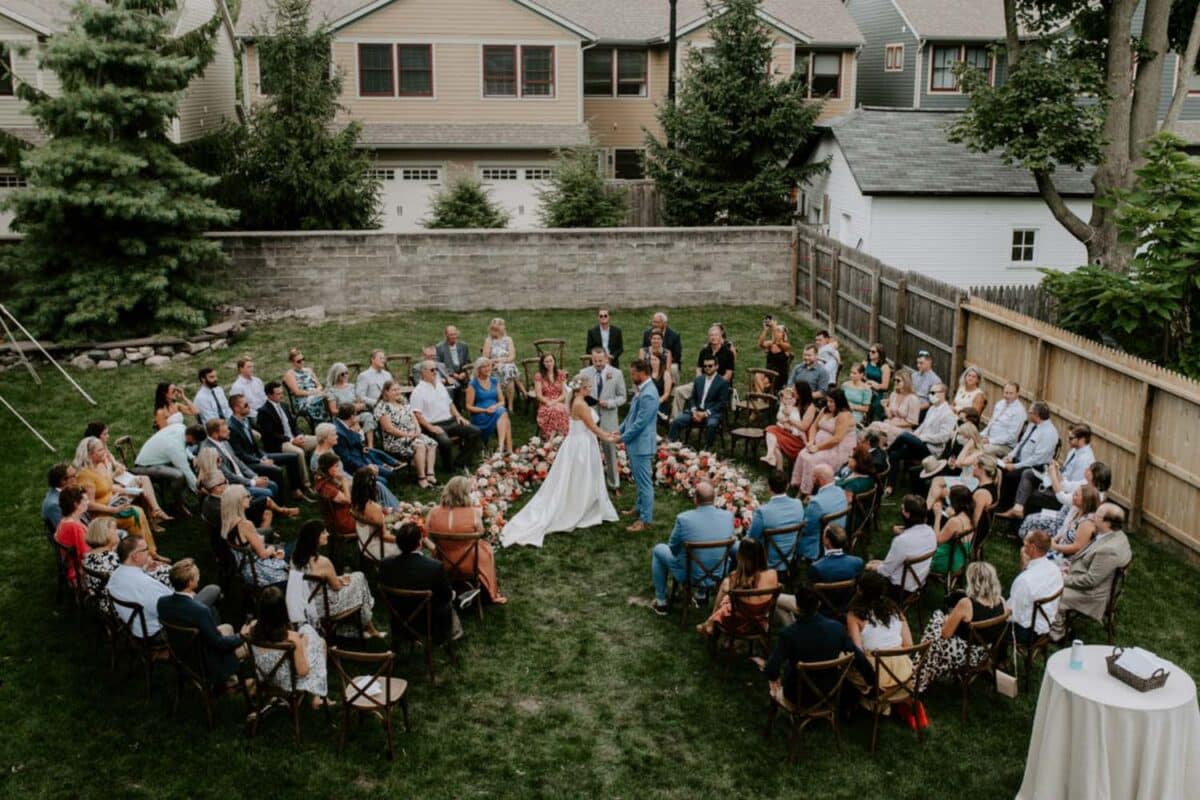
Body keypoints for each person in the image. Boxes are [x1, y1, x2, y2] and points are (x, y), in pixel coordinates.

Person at [501, 373, 620, 549]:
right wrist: (609, 438)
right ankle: (580, 506)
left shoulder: (574, 401)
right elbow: (593, 427)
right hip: (582, 445)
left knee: (574, 477)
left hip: (575, 443)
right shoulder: (581, 405)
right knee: (582, 476)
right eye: (589, 387)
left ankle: (585, 502)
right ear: (583, 388)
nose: (591, 389)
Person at [755, 585, 869, 708]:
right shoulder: (837, 628)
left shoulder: (788, 635)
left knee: (785, 672)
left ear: (797, 607)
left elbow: (772, 670)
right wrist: (872, 681)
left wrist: (766, 668)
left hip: (797, 696)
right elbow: (859, 658)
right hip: (831, 691)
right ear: (819, 604)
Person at [915, 561, 1006, 692]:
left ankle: (920, 673)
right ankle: (927, 668)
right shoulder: (1001, 602)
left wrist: (946, 619)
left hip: (964, 655)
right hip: (984, 653)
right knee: (939, 624)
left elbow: (945, 634)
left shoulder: (966, 603)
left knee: (937, 621)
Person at [845, 570, 921, 723]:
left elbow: (858, 652)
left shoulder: (854, 615)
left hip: (877, 676)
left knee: (843, 659)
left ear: (859, 590)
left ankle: (870, 702)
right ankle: (887, 702)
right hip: (904, 674)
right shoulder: (895, 610)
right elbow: (909, 645)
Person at [649, 482, 734, 616]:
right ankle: (701, 596)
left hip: (689, 575)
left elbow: (673, 548)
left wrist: (680, 557)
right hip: (718, 574)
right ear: (714, 498)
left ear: (696, 499)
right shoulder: (728, 516)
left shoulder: (684, 519)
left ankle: (661, 602)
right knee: (708, 555)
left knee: (659, 549)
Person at [1050, 503, 1132, 642]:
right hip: (1087, 577)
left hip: (1092, 595)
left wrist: (1064, 579)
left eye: (1097, 515)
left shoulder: (1109, 550)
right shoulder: (1117, 535)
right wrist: (1069, 568)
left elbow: (1090, 581)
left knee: (1052, 593)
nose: (1093, 516)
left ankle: (1057, 634)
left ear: (1107, 523)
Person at [158, 559, 244, 688]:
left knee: (226, 628)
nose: (199, 577)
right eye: (197, 575)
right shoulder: (200, 610)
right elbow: (218, 643)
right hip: (202, 660)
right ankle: (229, 680)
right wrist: (242, 636)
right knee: (237, 637)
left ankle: (230, 678)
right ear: (190, 582)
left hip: (180, 653)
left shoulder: (162, 602)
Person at [287, 520, 382, 637]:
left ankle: (367, 627)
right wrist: (342, 581)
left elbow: (314, 580)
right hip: (325, 607)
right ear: (314, 538)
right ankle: (369, 627)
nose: (327, 534)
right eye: (323, 532)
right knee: (359, 577)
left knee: (353, 579)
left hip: (306, 603)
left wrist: (339, 578)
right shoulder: (323, 562)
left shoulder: (294, 559)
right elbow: (336, 587)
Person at [75, 436, 160, 557]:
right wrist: (113, 509)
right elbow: (90, 505)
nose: (104, 452)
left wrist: (126, 491)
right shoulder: (86, 475)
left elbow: (108, 486)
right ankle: (141, 554)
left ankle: (151, 551)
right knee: (135, 514)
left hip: (113, 503)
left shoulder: (101, 465)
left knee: (138, 512)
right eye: (100, 450)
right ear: (90, 454)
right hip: (101, 515)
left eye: (103, 449)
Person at [428, 476, 507, 603]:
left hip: (441, 561)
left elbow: (427, 533)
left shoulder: (433, 512)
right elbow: (480, 532)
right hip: (469, 563)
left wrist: (436, 547)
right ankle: (488, 591)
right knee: (485, 547)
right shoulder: (473, 513)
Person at [247, 587, 329, 709]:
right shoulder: (291, 638)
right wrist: (300, 644)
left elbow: (245, 631)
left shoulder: (252, 631)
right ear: (282, 610)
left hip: (265, 678)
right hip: (289, 683)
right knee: (319, 641)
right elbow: (303, 672)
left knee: (306, 631)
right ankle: (316, 698)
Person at [380, 522, 463, 644]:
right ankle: (455, 632)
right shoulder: (434, 567)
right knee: (448, 600)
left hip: (399, 621)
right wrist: (453, 594)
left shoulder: (385, 565)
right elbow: (446, 597)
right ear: (420, 543)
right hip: (428, 624)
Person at [84, 421, 173, 527]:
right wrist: (115, 474)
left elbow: (113, 462)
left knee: (143, 480)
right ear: (96, 437)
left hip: (118, 481)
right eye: (105, 434)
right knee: (142, 485)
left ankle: (155, 512)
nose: (108, 436)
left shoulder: (103, 448)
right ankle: (153, 517)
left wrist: (118, 466)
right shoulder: (94, 461)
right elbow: (103, 484)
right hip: (111, 489)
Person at [203, 418, 297, 515]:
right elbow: (227, 475)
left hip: (242, 478)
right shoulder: (210, 451)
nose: (229, 431)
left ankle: (272, 511)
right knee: (268, 491)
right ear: (215, 434)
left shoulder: (224, 442)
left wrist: (254, 477)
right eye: (225, 430)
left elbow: (237, 461)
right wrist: (252, 482)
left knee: (272, 485)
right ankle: (264, 514)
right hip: (230, 486)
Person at [1001, 423, 1095, 519]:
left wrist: (1054, 477)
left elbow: (1071, 489)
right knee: (1028, 473)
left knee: (1034, 494)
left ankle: (1021, 522)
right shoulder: (1074, 451)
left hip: (1065, 494)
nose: (1068, 440)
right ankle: (1018, 508)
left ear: (1082, 440)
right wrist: (1055, 471)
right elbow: (1066, 474)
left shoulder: (1085, 460)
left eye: (1071, 438)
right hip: (1059, 482)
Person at [228, 394, 305, 501]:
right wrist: (260, 460)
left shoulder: (246, 420)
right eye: (246, 405)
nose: (249, 406)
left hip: (258, 456)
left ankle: (296, 490)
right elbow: (240, 454)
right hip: (249, 462)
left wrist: (263, 457)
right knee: (276, 470)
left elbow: (254, 446)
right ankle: (280, 503)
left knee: (293, 457)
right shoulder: (232, 427)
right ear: (236, 408)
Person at [84, 517, 170, 613]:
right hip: (121, 605)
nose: (117, 532)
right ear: (105, 533)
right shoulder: (111, 558)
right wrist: (146, 568)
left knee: (162, 570)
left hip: (106, 600)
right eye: (114, 529)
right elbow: (131, 580)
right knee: (167, 573)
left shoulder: (90, 556)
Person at [697, 538, 778, 636]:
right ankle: (711, 623)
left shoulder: (734, 578)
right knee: (731, 594)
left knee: (726, 589)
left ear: (741, 557)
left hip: (738, 625)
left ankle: (711, 623)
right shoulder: (773, 574)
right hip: (762, 621)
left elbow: (731, 593)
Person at [411, 360, 483, 469]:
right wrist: (430, 427)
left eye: (436, 369)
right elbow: (417, 414)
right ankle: (448, 468)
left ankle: (461, 461)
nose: (435, 372)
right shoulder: (418, 391)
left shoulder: (440, 386)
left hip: (450, 421)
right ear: (423, 372)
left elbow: (450, 404)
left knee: (475, 431)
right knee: (445, 442)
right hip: (433, 424)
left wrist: (459, 416)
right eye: (432, 370)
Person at [885, 383, 956, 490]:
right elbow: (923, 426)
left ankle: (885, 453)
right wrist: (914, 436)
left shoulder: (948, 414)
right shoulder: (932, 409)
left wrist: (923, 437)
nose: (930, 395)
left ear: (943, 394)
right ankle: (890, 487)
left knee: (904, 435)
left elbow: (944, 437)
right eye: (930, 393)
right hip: (920, 444)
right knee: (895, 454)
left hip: (932, 449)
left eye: (933, 393)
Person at [996, 401, 1060, 515]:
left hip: (1034, 468)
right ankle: (996, 501)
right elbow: (1021, 443)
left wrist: (1014, 466)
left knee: (1009, 474)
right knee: (997, 466)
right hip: (1019, 461)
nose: (1028, 414)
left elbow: (1036, 459)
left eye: (1030, 412)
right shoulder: (1032, 425)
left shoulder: (1049, 433)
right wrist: (1011, 456)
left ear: (1037, 415)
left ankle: (1004, 507)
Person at [106, 536, 177, 638]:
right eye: (146, 549)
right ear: (135, 556)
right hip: (157, 632)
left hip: (135, 628)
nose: (149, 552)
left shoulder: (114, 576)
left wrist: (144, 568)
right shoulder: (146, 584)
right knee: (208, 593)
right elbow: (170, 609)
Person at [222, 485, 288, 589]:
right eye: (247, 496)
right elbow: (263, 555)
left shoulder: (227, 521)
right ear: (238, 501)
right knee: (294, 549)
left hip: (244, 569)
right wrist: (273, 549)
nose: (251, 497)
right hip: (260, 573)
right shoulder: (245, 525)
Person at [374, 380, 439, 488]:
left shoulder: (402, 401)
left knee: (432, 443)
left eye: (398, 389)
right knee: (420, 445)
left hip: (412, 435)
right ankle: (421, 478)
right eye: (394, 390)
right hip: (395, 440)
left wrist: (418, 429)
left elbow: (413, 417)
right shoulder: (382, 407)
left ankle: (430, 474)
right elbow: (389, 429)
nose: (397, 392)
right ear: (386, 392)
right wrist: (407, 435)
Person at [791, 389, 857, 495]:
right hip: (819, 444)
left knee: (811, 460)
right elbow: (814, 426)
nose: (828, 404)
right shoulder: (825, 410)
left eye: (832, 402)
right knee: (802, 454)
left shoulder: (844, 415)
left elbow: (837, 438)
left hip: (837, 449)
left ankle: (806, 491)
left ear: (839, 402)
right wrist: (811, 441)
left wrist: (818, 448)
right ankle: (799, 484)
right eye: (828, 401)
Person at [869, 495, 937, 596]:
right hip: (919, 581)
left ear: (907, 514)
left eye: (902, 509)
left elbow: (885, 572)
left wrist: (869, 567)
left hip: (900, 589)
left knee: (867, 573)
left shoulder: (901, 541)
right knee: (876, 562)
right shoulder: (931, 532)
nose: (901, 510)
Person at [578, 348, 626, 490]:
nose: (598, 364)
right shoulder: (584, 373)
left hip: (609, 417)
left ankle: (614, 484)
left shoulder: (617, 374)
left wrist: (610, 403)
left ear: (606, 359)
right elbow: (578, 393)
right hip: (590, 418)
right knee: (589, 451)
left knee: (610, 451)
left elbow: (622, 397)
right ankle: (590, 485)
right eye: (595, 361)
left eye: (600, 360)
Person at [621, 359, 660, 532]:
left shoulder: (649, 393)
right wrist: (619, 430)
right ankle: (638, 508)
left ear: (642, 373)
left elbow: (640, 423)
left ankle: (645, 519)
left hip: (642, 445)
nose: (631, 377)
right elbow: (631, 417)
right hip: (635, 443)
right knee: (639, 480)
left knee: (644, 483)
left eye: (633, 373)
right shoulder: (642, 391)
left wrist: (622, 438)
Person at [258, 381, 318, 488]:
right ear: (269, 395)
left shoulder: (284, 406)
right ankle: (306, 484)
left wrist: (299, 434)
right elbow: (270, 434)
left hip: (293, 437)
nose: (281, 396)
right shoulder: (264, 412)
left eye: (282, 393)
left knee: (320, 440)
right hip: (280, 443)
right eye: (278, 394)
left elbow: (293, 424)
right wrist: (291, 440)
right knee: (298, 453)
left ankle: (318, 474)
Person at [744, 470, 805, 571]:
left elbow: (752, 539)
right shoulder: (798, 504)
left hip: (766, 561)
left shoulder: (762, 511)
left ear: (769, 488)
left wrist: (747, 528)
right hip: (790, 557)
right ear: (787, 486)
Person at [1009, 530, 1063, 645]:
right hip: (1045, 625)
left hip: (1027, 632)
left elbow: (1013, 614)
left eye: (1025, 544)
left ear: (1032, 548)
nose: (1023, 547)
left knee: (989, 623)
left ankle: (995, 659)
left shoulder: (1024, 580)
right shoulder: (1055, 569)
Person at [667, 355, 730, 448]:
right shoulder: (699, 380)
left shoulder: (723, 382)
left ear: (716, 366)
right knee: (676, 421)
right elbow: (693, 398)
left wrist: (705, 413)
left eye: (710, 366)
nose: (707, 368)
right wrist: (694, 410)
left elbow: (721, 403)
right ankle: (671, 447)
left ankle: (707, 450)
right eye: (705, 366)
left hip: (711, 412)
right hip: (696, 411)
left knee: (711, 425)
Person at [672, 325, 735, 416]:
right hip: (702, 383)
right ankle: (675, 420)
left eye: (716, 335)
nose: (713, 337)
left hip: (719, 386)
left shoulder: (728, 353)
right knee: (679, 391)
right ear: (708, 337)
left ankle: (700, 418)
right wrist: (699, 382)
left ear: (721, 336)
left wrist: (715, 386)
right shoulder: (704, 351)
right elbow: (698, 369)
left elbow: (728, 375)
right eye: (711, 335)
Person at [333, 403, 400, 482]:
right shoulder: (340, 433)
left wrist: (361, 446)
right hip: (355, 465)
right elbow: (346, 459)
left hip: (360, 455)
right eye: (356, 414)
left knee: (388, 472)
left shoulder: (345, 425)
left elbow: (356, 443)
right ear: (352, 417)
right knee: (384, 479)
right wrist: (366, 467)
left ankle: (389, 465)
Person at [135, 421, 199, 495]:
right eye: (196, 442)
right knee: (178, 475)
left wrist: (192, 457)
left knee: (185, 463)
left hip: (152, 459)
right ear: (191, 437)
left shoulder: (181, 427)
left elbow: (183, 447)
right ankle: (178, 503)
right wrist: (197, 489)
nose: (194, 444)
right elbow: (185, 469)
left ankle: (185, 489)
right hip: (145, 467)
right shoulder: (175, 446)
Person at [350, 467, 401, 560]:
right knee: (415, 544)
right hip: (378, 549)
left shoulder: (355, 503)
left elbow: (375, 522)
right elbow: (384, 536)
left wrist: (392, 517)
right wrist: (405, 540)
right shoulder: (373, 507)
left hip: (363, 543)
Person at [762, 384, 816, 469]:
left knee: (775, 441)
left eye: (794, 391)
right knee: (770, 430)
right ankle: (775, 464)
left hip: (799, 436)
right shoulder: (793, 401)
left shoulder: (810, 407)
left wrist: (789, 419)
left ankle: (779, 471)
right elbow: (781, 413)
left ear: (800, 393)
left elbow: (803, 427)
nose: (792, 392)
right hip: (787, 429)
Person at [801, 465, 848, 560]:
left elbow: (807, 529)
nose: (812, 479)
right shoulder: (840, 491)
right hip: (840, 533)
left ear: (821, 480)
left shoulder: (816, 503)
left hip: (819, 545)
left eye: (814, 476)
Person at [929, 484, 975, 579]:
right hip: (960, 561)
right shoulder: (970, 517)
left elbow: (936, 541)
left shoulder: (955, 521)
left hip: (946, 563)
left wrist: (937, 516)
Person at [325, 362, 377, 447]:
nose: (345, 375)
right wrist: (351, 409)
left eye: (347, 373)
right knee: (353, 423)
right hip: (342, 418)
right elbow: (333, 410)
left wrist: (360, 405)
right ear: (336, 375)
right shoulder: (332, 391)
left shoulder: (351, 387)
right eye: (342, 374)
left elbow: (358, 400)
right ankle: (358, 444)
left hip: (354, 415)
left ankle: (370, 446)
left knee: (368, 416)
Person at [467, 358, 513, 453]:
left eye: (489, 366)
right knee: (504, 414)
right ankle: (507, 449)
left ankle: (502, 448)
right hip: (480, 414)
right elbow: (468, 406)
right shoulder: (473, 384)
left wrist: (495, 407)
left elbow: (502, 401)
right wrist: (484, 410)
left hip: (495, 411)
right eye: (484, 366)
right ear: (478, 369)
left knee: (502, 412)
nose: (487, 368)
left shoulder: (494, 381)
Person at [866, 371, 920, 447]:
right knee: (875, 427)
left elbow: (913, 422)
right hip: (890, 423)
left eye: (898, 380)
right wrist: (885, 406)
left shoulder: (913, 399)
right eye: (894, 380)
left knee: (876, 426)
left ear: (906, 382)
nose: (895, 382)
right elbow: (890, 416)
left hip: (904, 429)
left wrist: (894, 423)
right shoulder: (893, 394)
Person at [313, 453, 357, 540]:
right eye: (336, 466)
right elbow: (348, 500)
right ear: (328, 468)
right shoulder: (327, 488)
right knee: (372, 518)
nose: (339, 469)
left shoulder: (323, 480)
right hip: (343, 523)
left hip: (340, 517)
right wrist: (343, 480)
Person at [54, 485, 91, 586]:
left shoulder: (64, 521)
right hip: (80, 573)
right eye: (86, 500)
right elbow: (86, 555)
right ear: (76, 504)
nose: (88, 502)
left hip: (72, 567)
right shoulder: (75, 527)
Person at [482, 317, 521, 410]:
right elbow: (485, 358)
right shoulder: (488, 340)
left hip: (507, 364)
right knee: (508, 371)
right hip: (493, 366)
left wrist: (501, 361)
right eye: (493, 329)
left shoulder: (508, 340)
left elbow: (512, 356)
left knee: (508, 369)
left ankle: (510, 405)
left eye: (497, 329)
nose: (495, 331)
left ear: (502, 329)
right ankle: (505, 401)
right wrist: (493, 362)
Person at [980, 381, 1026, 457]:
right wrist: (981, 435)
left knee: (982, 449)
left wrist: (990, 441)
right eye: (1006, 393)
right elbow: (991, 423)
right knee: (967, 440)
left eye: (1011, 393)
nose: (1007, 396)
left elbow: (1011, 437)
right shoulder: (1000, 403)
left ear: (1017, 394)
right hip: (989, 438)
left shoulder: (1019, 411)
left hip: (1005, 446)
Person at [282, 348, 328, 423]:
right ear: (292, 362)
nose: (302, 362)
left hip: (316, 395)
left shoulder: (309, 370)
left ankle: (331, 421)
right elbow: (297, 392)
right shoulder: (290, 374)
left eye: (303, 359)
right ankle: (322, 422)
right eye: (299, 361)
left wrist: (317, 391)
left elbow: (320, 386)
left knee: (330, 397)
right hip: (303, 401)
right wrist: (313, 393)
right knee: (322, 399)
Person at [533, 352, 570, 438]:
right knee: (555, 410)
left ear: (554, 361)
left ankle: (562, 435)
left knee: (560, 409)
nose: (549, 363)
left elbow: (564, 393)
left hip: (559, 400)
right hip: (546, 403)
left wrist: (555, 402)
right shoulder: (539, 376)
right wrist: (548, 402)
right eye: (546, 362)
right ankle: (552, 436)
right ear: (543, 363)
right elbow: (538, 395)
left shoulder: (561, 374)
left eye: (551, 361)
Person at [436, 325, 471, 402]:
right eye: (451, 335)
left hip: (463, 374)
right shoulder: (439, 347)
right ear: (446, 335)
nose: (454, 337)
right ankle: (456, 408)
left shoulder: (463, 346)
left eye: (455, 334)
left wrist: (464, 373)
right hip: (448, 375)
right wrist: (452, 374)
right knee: (454, 386)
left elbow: (468, 362)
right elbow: (439, 365)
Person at [756, 315, 791, 392]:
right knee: (757, 376)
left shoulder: (786, 346)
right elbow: (760, 344)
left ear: (784, 334)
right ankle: (762, 398)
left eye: (779, 331)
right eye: (776, 330)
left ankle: (762, 397)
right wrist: (765, 330)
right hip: (769, 373)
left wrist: (774, 326)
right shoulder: (771, 344)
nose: (776, 331)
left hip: (779, 375)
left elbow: (778, 342)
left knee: (764, 383)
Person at [42, 462, 77, 540]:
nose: (76, 478)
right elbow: (67, 531)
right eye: (73, 476)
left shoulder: (64, 491)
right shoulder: (54, 505)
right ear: (63, 481)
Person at [863, 343, 892, 422]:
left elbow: (885, 386)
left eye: (873, 352)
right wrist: (866, 382)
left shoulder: (885, 367)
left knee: (876, 404)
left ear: (880, 354)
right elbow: (862, 376)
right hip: (866, 388)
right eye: (869, 351)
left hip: (878, 392)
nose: (870, 353)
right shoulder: (865, 363)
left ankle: (874, 421)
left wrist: (875, 385)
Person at [647, 348, 674, 423]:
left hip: (661, 402)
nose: (653, 362)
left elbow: (666, 394)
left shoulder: (666, 374)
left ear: (660, 361)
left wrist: (657, 401)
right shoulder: (647, 374)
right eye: (651, 360)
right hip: (648, 400)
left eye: (655, 360)